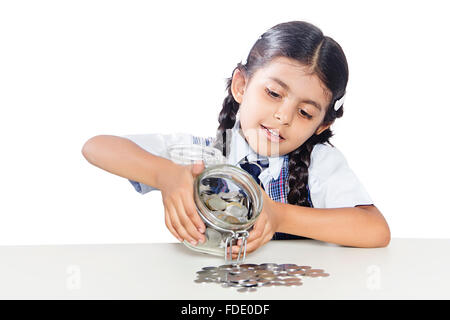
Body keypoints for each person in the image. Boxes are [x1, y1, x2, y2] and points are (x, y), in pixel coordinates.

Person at [82, 21, 390, 260]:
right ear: (241, 86)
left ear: (322, 125)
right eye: (273, 93)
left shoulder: (320, 164)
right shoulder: (203, 155)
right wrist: (163, 174)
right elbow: (96, 147)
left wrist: (279, 215)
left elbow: (375, 230)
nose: (283, 116)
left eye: (305, 112)